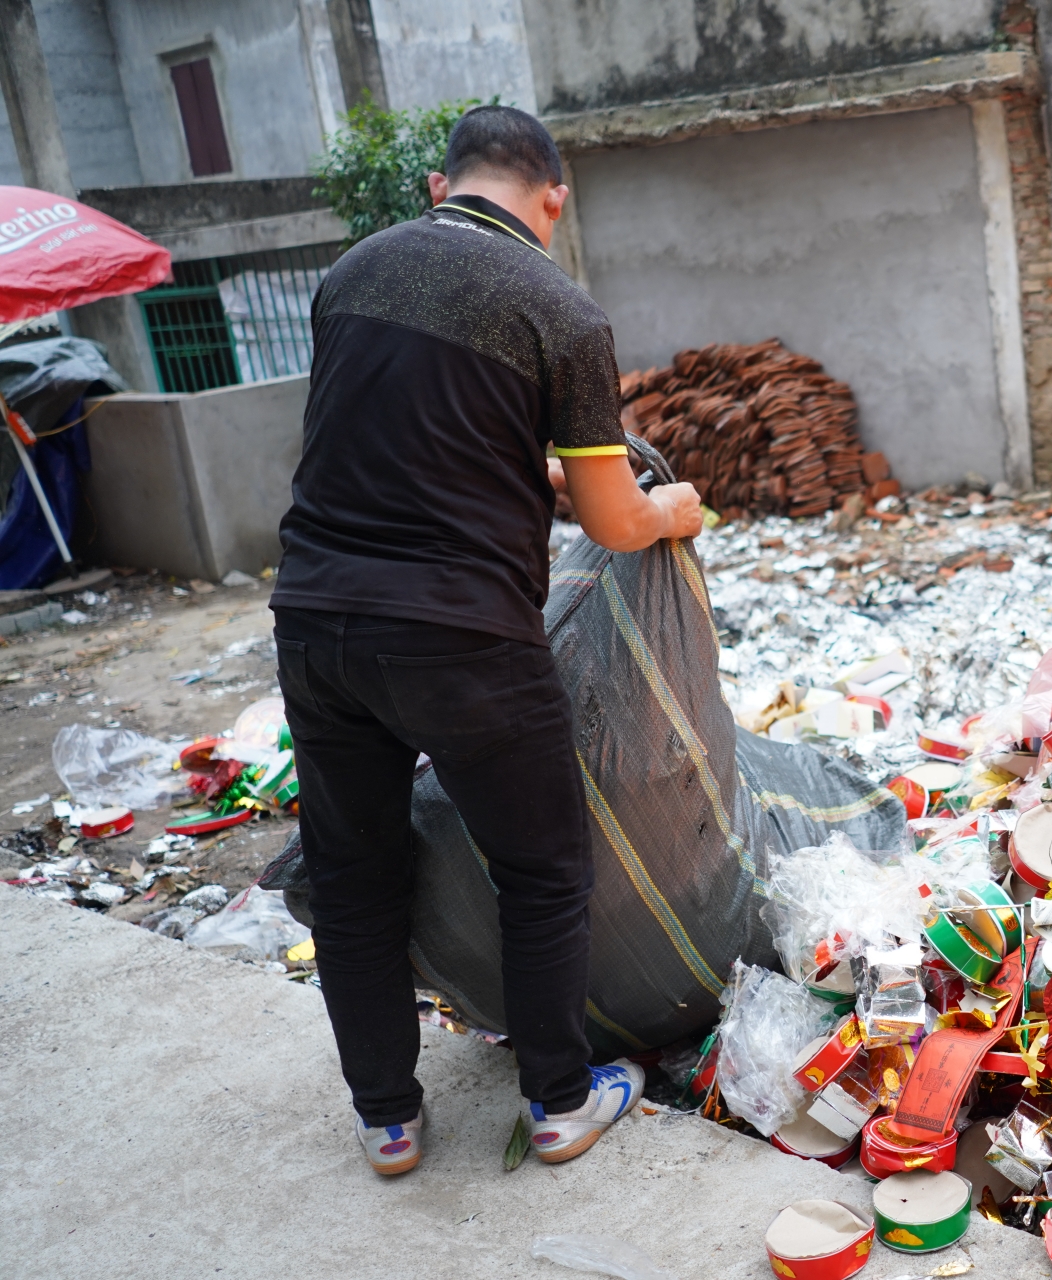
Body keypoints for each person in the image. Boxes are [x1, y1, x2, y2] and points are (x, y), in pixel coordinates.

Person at [271, 105, 702, 1176]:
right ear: (554, 198)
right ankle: (557, 1097)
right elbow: (616, 522)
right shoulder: (559, 309)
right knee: (542, 865)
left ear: (439, 186)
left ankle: (386, 1119)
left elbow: (409, 442)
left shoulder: (350, 276)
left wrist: (532, 472)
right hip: (461, 638)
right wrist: (675, 509)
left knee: (355, 872)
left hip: (318, 620)